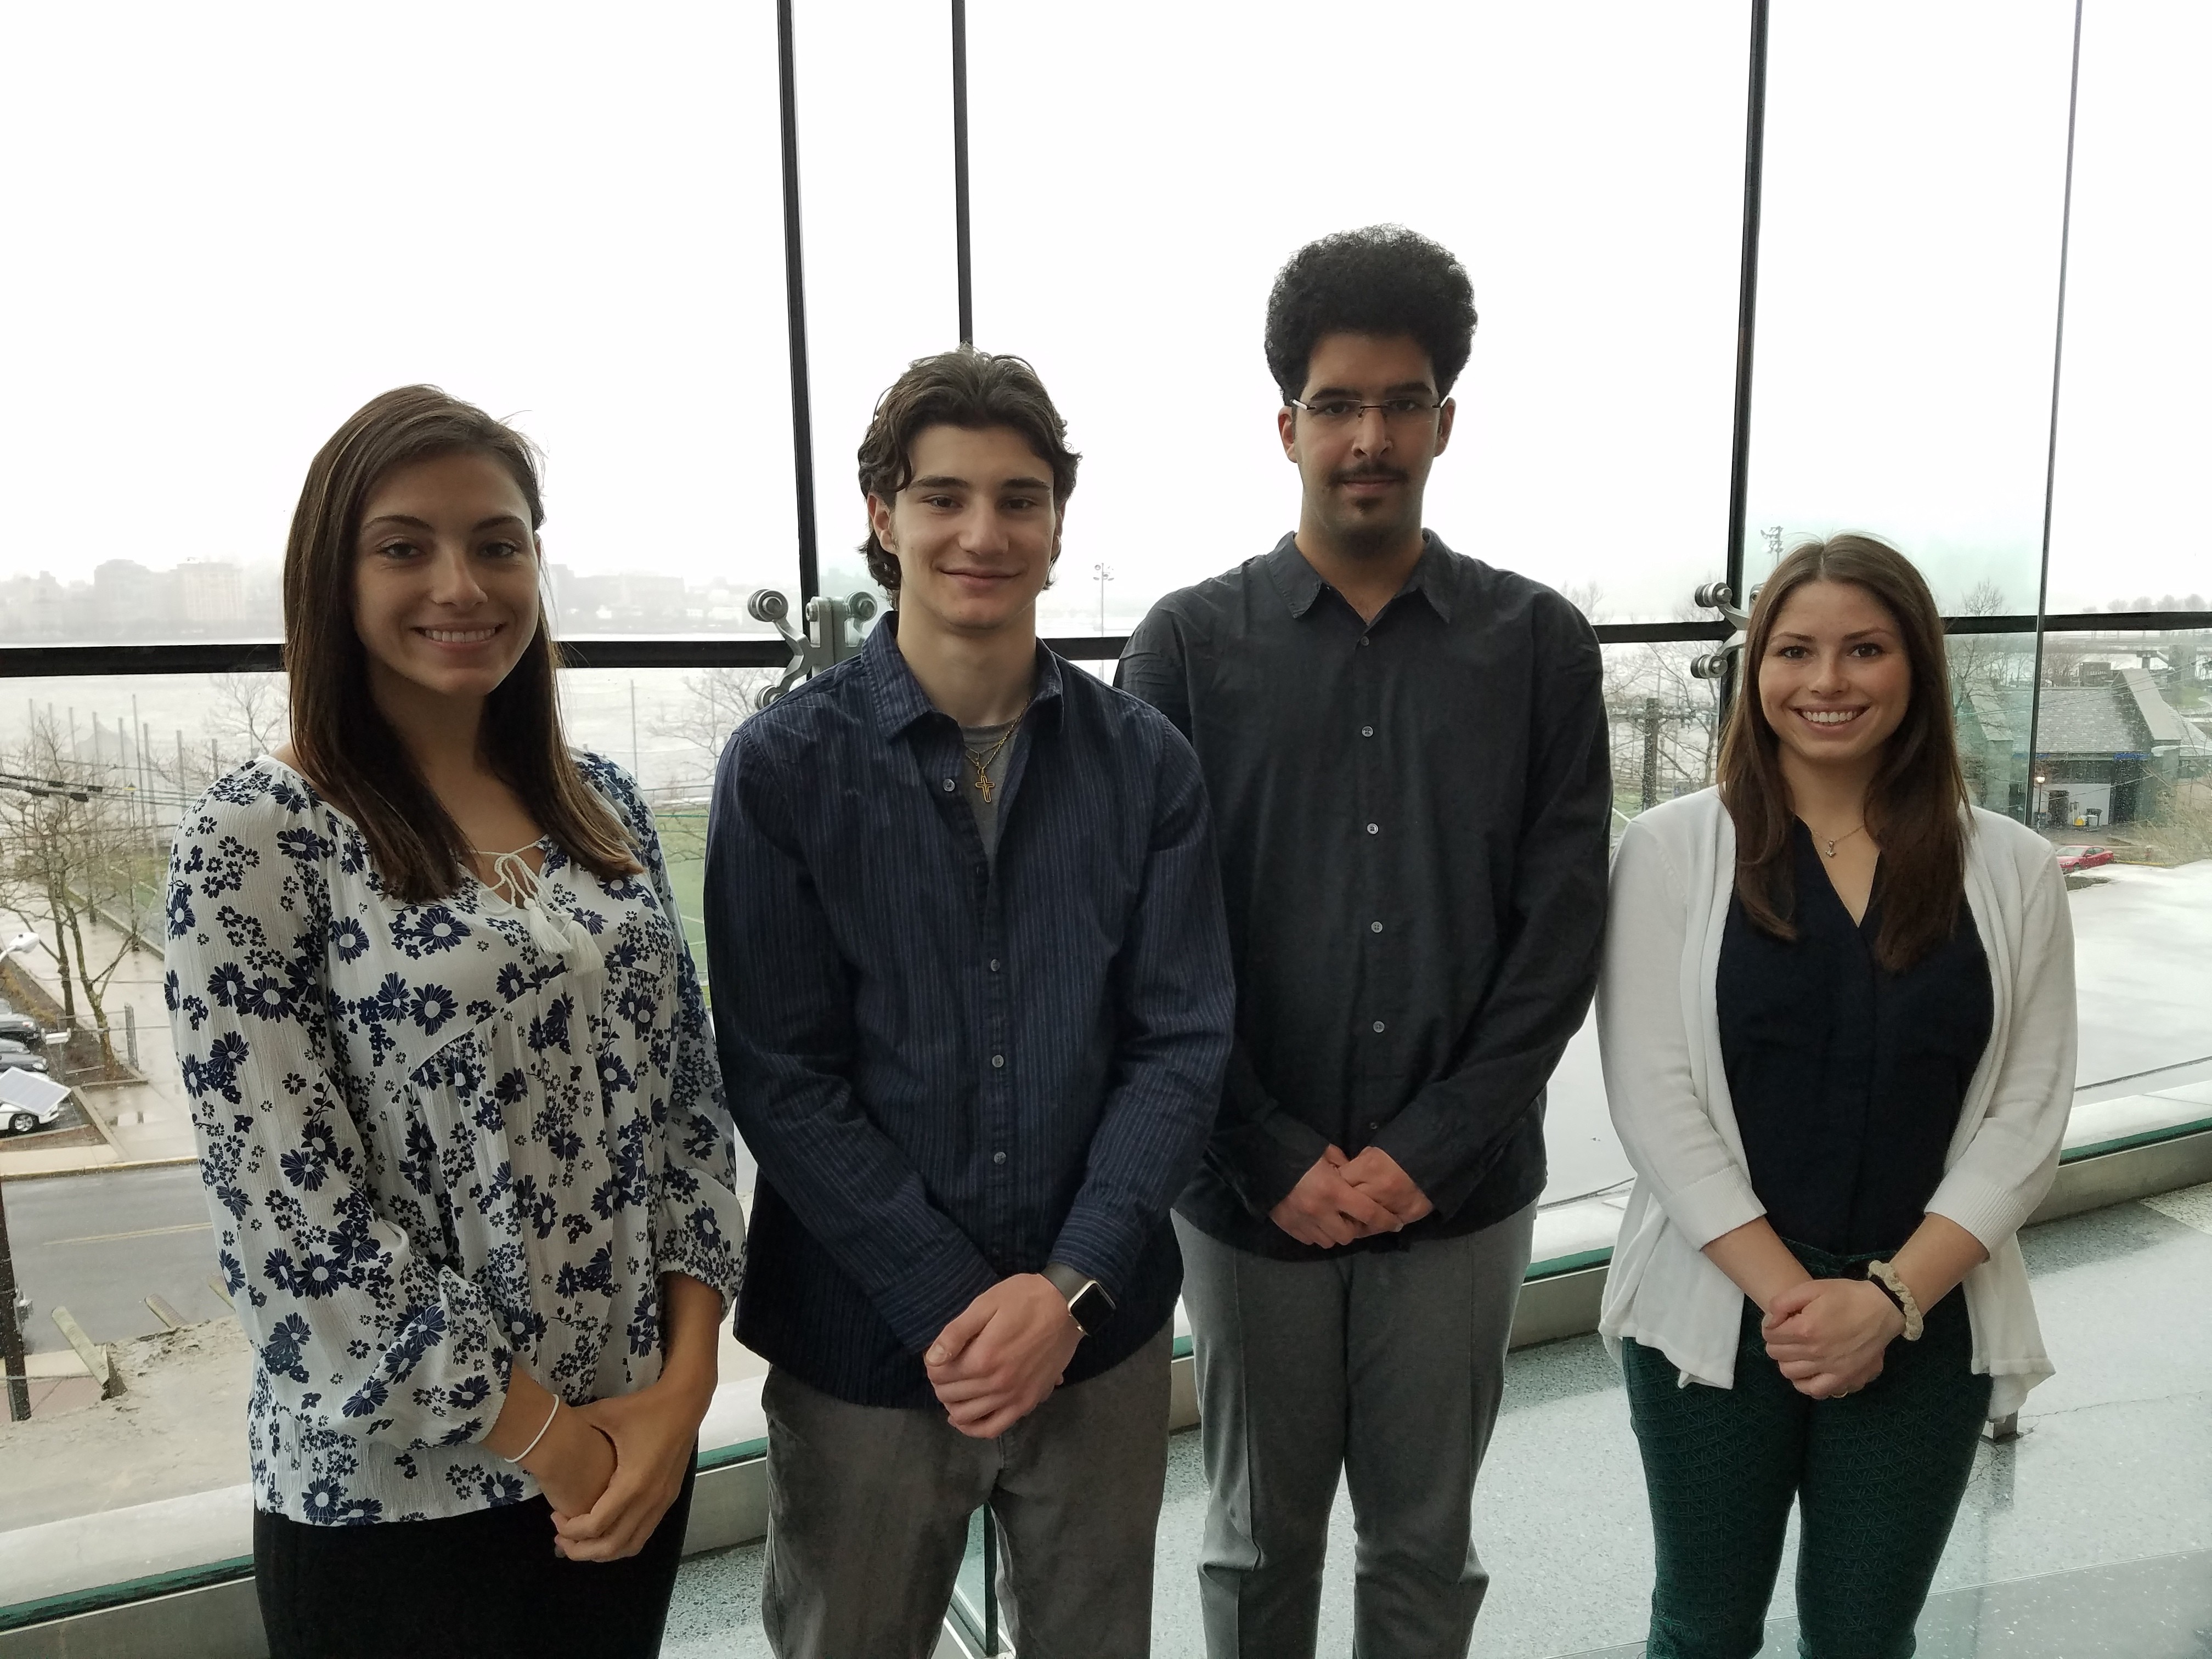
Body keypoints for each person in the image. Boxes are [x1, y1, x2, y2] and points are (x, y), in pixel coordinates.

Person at [165, 387, 745, 1658]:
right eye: (404, 545)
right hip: (399, 1501)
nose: (461, 583)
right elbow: (291, 1230)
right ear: (334, 572)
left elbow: (690, 1113)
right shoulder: (259, 843)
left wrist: (681, 1397)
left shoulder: (603, 810)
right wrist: (551, 1436)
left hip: (633, 1453)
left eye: (498, 542)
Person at [1118, 225, 1613, 1657]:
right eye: (1337, 405)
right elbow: (1158, 943)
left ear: (1446, 422)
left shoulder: (1537, 648)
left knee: (1424, 1551)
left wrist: (1430, 1147)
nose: (1370, 436)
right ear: (1287, 427)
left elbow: (1558, 931)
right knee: (1254, 1544)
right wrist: (1267, 1150)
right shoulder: (1187, 647)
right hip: (1245, 1193)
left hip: (1461, 1199)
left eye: (1402, 403)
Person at [706, 347, 1234, 1659]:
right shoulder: (783, 768)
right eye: (944, 498)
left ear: (1060, 520)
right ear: (883, 517)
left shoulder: (1145, 765)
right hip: (867, 1348)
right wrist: (959, 1304)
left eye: (1019, 498)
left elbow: (1181, 1044)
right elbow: (781, 1075)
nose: (983, 533)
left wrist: (1062, 1293)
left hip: (1095, 1337)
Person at [1596, 534, 2076, 1657]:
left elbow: (2028, 1114)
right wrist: (1796, 1303)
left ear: (1916, 668)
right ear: (1756, 670)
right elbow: (1656, 1098)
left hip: (1926, 1313)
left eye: (1865, 649)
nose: (1827, 682)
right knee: (1704, 1624)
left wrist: (1889, 1303)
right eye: (1796, 651)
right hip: (1717, 1309)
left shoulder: (2009, 869)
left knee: (1867, 1634)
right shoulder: (1673, 851)